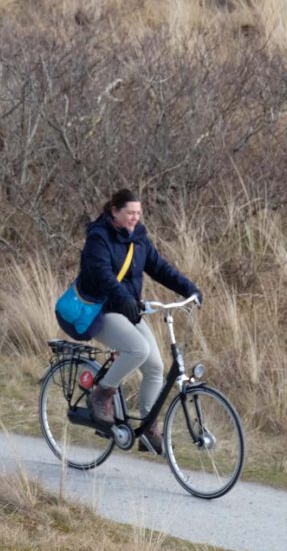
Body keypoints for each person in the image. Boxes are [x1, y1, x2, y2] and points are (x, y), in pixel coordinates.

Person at [78, 188, 202, 453]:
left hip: (128, 309)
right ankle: (102, 393)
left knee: (155, 367)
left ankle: (148, 427)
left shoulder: (139, 239)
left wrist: (189, 289)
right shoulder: (98, 238)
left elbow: (159, 268)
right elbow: (102, 274)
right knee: (138, 349)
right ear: (115, 211)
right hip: (102, 309)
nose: (135, 218)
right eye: (130, 213)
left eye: (138, 213)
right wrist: (124, 298)